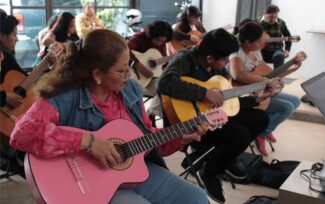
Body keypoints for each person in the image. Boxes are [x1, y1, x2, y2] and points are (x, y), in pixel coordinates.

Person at [10, 29, 209, 204]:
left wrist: (180, 136)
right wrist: (87, 141)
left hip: (134, 172)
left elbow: (146, 137)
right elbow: (21, 134)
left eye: (128, 66)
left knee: (196, 198)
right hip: (88, 186)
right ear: (97, 74)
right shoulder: (64, 95)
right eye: (121, 71)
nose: (129, 76)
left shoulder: (130, 90)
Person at [158, 28, 277, 203]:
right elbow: (164, 82)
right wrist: (203, 93)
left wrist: (256, 99)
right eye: (225, 59)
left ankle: (221, 160)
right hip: (190, 123)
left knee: (261, 118)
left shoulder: (219, 70)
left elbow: (228, 102)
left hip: (214, 116)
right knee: (240, 135)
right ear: (210, 58)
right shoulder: (186, 59)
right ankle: (209, 173)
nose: (227, 62)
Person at [229, 22, 301, 156]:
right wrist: (265, 81)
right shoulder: (236, 55)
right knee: (287, 108)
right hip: (249, 96)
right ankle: (262, 133)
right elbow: (237, 74)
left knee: (296, 101)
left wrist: (291, 69)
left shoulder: (254, 52)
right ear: (247, 42)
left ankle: (265, 129)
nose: (262, 45)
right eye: (259, 42)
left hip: (262, 88)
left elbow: (269, 75)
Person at [128, 20, 173, 119]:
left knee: (170, 84)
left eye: (163, 41)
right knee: (165, 86)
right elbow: (124, 51)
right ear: (151, 34)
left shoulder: (161, 44)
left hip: (152, 81)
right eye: (158, 40)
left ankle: (151, 113)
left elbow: (162, 64)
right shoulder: (138, 38)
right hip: (134, 81)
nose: (160, 43)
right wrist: (139, 66)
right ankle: (150, 115)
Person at [0, 10, 26, 177]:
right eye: (13, 35)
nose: (16, 39)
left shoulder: (7, 58)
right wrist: (4, 97)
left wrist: (49, 66)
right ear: (2, 36)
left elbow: (25, 80)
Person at [258, 4, 292, 68]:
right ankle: (257, 76)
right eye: (271, 17)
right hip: (259, 50)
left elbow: (288, 37)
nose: (273, 19)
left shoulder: (281, 23)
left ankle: (277, 77)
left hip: (276, 49)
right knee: (253, 57)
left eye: (275, 17)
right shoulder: (257, 22)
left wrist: (287, 50)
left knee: (279, 56)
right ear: (265, 14)